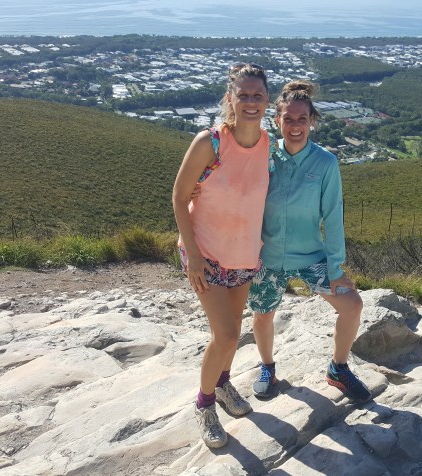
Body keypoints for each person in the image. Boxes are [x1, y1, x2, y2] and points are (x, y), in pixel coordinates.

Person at [247, 80, 372, 403]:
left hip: (310, 256)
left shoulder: (325, 163)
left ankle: (338, 368)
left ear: (312, 121)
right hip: (267, 256)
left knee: (352, 306)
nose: (295, 126)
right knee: (263, 314)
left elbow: (333, 215)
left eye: (302, 119)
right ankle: (267, 367)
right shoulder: (263, 155)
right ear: (277, 120)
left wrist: (335, 268)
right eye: (288, 119)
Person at [172, 63, 274, 449]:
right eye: (243, 95)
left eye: (257, 95)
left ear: (267, 100)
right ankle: (204, 404)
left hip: (244, 253)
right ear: (230, 98)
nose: (250, 101)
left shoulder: (267, 145)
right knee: (227, 334)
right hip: (206, 253)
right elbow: (179, 197)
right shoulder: (210, 143)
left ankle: (223, 383)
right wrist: (194, 257)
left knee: (233, 331)